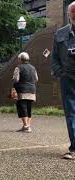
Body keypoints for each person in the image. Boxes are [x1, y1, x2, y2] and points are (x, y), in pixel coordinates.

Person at [51, 1, 75, 159]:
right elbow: (54, 58)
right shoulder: (60, 33)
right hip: (68, 79)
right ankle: (74, 147)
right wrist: (61, 73)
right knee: (71, 113)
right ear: (69, 14)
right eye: (73, 11)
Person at [13, 52, 38, 133]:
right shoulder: (33, 68)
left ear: (20, 59)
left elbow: (16, 79)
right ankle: (27, 126)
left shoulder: (18, 67)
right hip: (32, 90)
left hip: (22, 90)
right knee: (28, 108)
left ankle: (26, 127)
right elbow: (36, 79)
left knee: (22, 107)